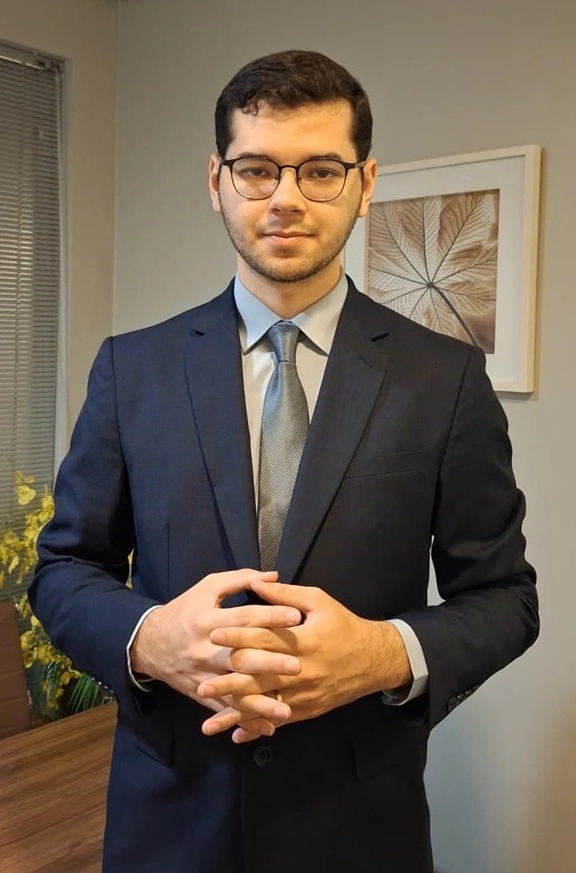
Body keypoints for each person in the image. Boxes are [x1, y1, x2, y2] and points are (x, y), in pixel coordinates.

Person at [30, 49, 539, 873]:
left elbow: (506, 597)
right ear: (217, 180)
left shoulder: (443, 380)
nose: (286, 198)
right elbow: (63, 569)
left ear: (365, 183)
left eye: (321, 171)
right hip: (169, 823)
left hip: (358, 828)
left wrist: (381, 653)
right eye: (258, 169)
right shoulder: (132, 370)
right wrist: (149, 637)